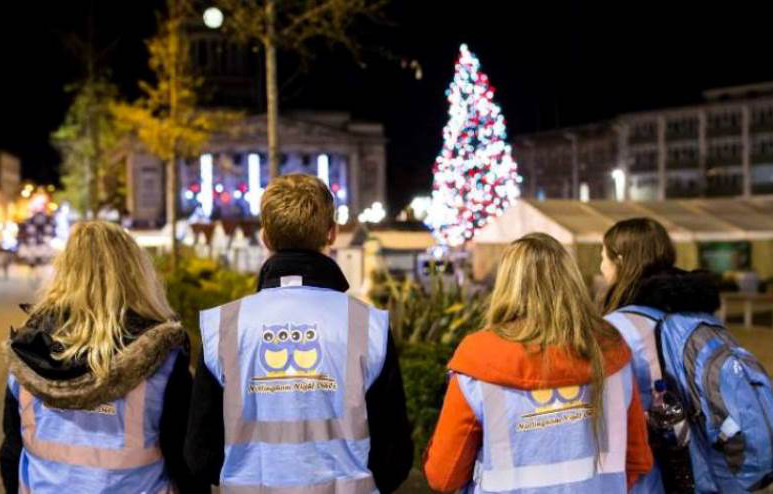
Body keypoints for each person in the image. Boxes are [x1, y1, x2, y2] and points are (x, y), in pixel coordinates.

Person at [185, 174, 413, 492]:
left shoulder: (225, 326)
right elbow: (395, 453)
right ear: (332, 233)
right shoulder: (367, 325)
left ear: (264, 238)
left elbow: (199, 452)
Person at [424, 233, 653, 493]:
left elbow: (443, 475)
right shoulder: (612, 351)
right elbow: (637, 459)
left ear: (507, 283)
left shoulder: (479, 359)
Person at [0, 221, 199, 493]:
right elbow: (185, 460)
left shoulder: (26, 355)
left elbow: (12, 451)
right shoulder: (162, 358)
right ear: (134, 274)